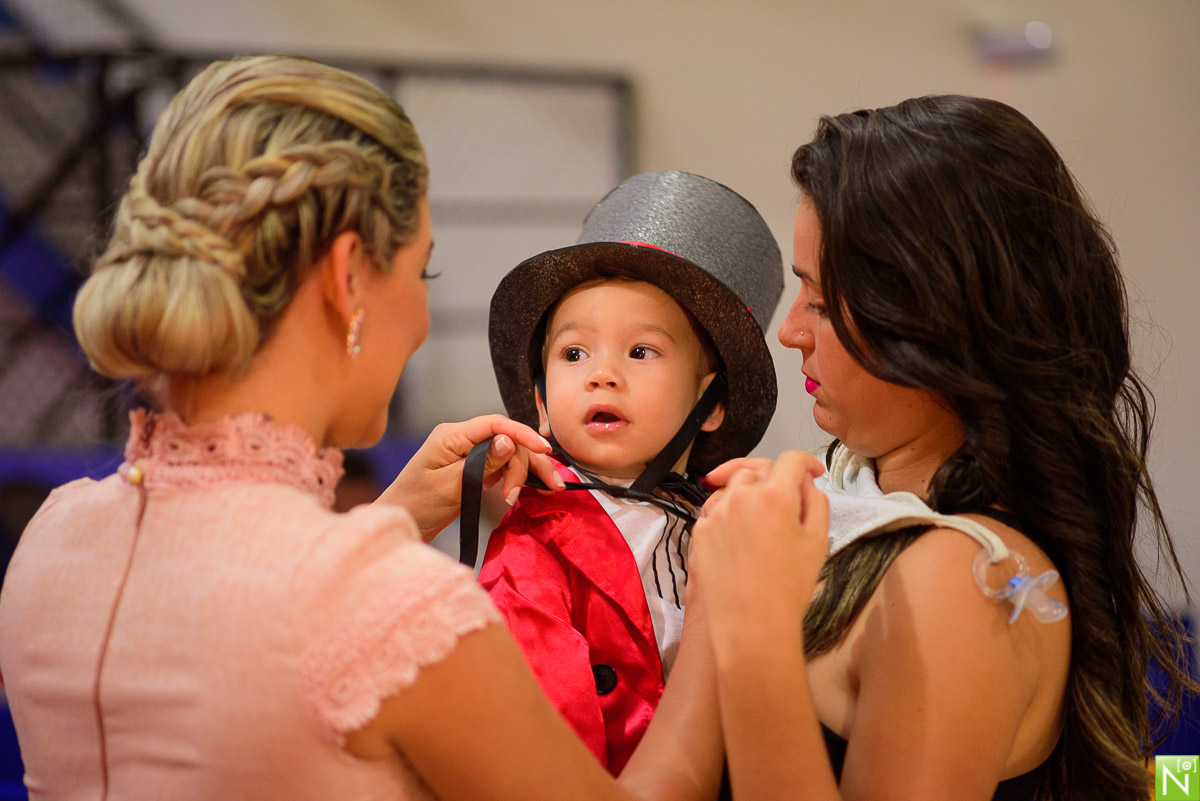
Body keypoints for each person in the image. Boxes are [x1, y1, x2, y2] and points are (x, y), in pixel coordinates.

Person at [0, 55, 726, 801]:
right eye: (423, 272)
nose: (418, 319)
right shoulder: (396, 606)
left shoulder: (53, 541)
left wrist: (395, 519)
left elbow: (261, 644)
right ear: (349, 279)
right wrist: (719, 618)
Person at [690, 94, 1195, 801]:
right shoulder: (868, 499)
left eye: (822, 302)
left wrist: (752, 624)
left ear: (931, 322)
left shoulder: (960, 580)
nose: (790, 332)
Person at [478, 171, 783, 773]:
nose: (602, 374)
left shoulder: (726, 521)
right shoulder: (529, 556)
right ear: (539, 399)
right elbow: (545, 763)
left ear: (712, 403)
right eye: (573, 354)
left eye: (641, 352)